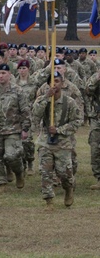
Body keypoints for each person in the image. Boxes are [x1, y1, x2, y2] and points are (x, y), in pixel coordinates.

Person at [31, 74, 83, 210]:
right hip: (45, 142)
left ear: (62, 83)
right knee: (45, 172)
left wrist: (59, 130)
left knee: (64, 173)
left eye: (57, 81)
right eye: (51, 82)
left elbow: (77, 121)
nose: (54, 84)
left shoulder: (69, 102)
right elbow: (35, 114)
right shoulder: (42, 100)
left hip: (63, 143)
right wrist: (46, 97)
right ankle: (49, 201)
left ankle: (68, 189)